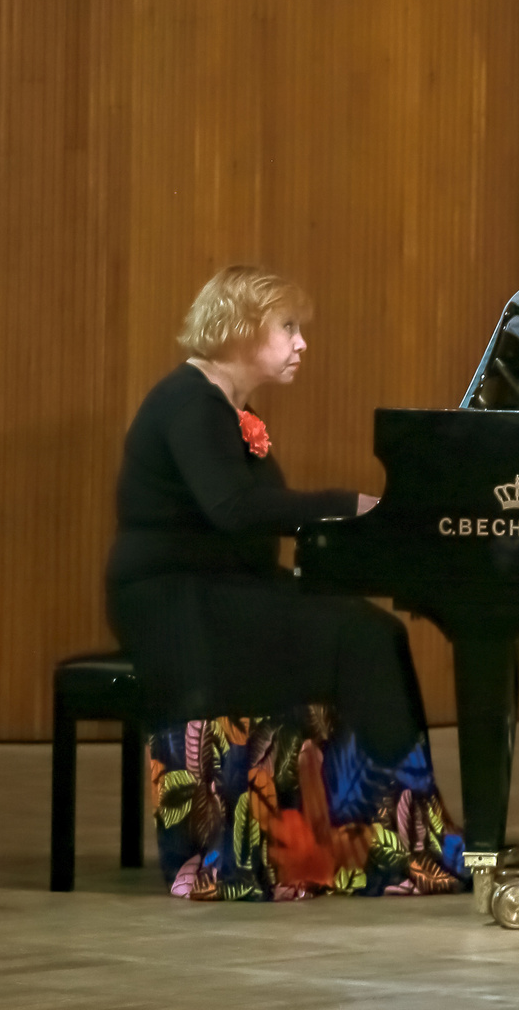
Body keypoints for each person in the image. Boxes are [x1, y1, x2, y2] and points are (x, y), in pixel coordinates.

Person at [107, 265, 467, 900]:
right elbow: (233, 510)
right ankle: (366, 845)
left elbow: (248, 517)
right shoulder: (190, 404)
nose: (302, 344)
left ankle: (378, 836)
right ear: (243, 331)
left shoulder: (225, 406)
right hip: (176, 600)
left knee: (372, 630)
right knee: (359, 636)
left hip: (220, 587)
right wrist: (344, 504)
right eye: (289, 328)